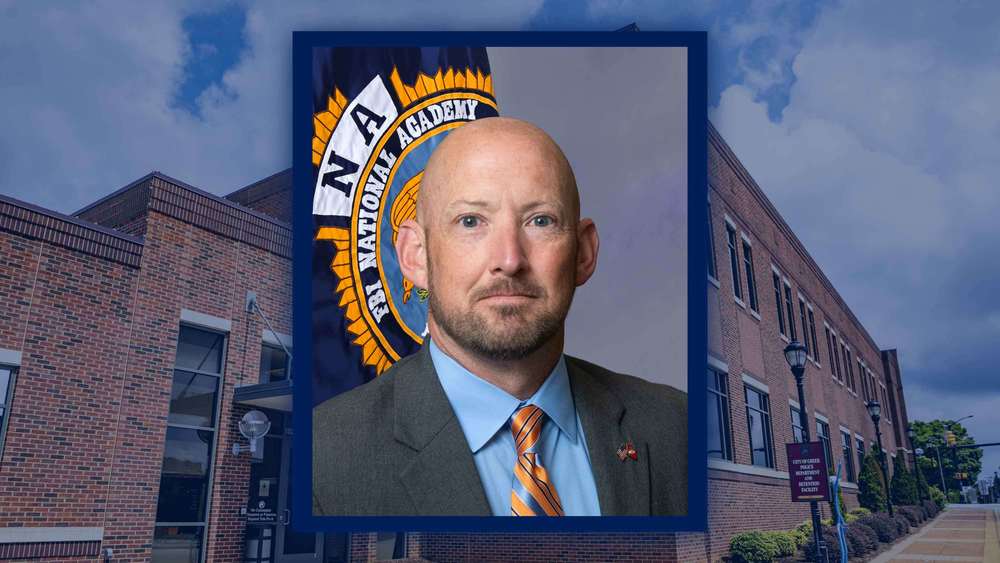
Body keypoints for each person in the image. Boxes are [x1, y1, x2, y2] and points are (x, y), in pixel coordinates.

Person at [312, 117, 687, 517]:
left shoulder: (678, 426)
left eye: (540, 221)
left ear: (583, 252)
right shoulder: (320, 457)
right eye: (470, 221)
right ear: (415, 255)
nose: (509, 260)